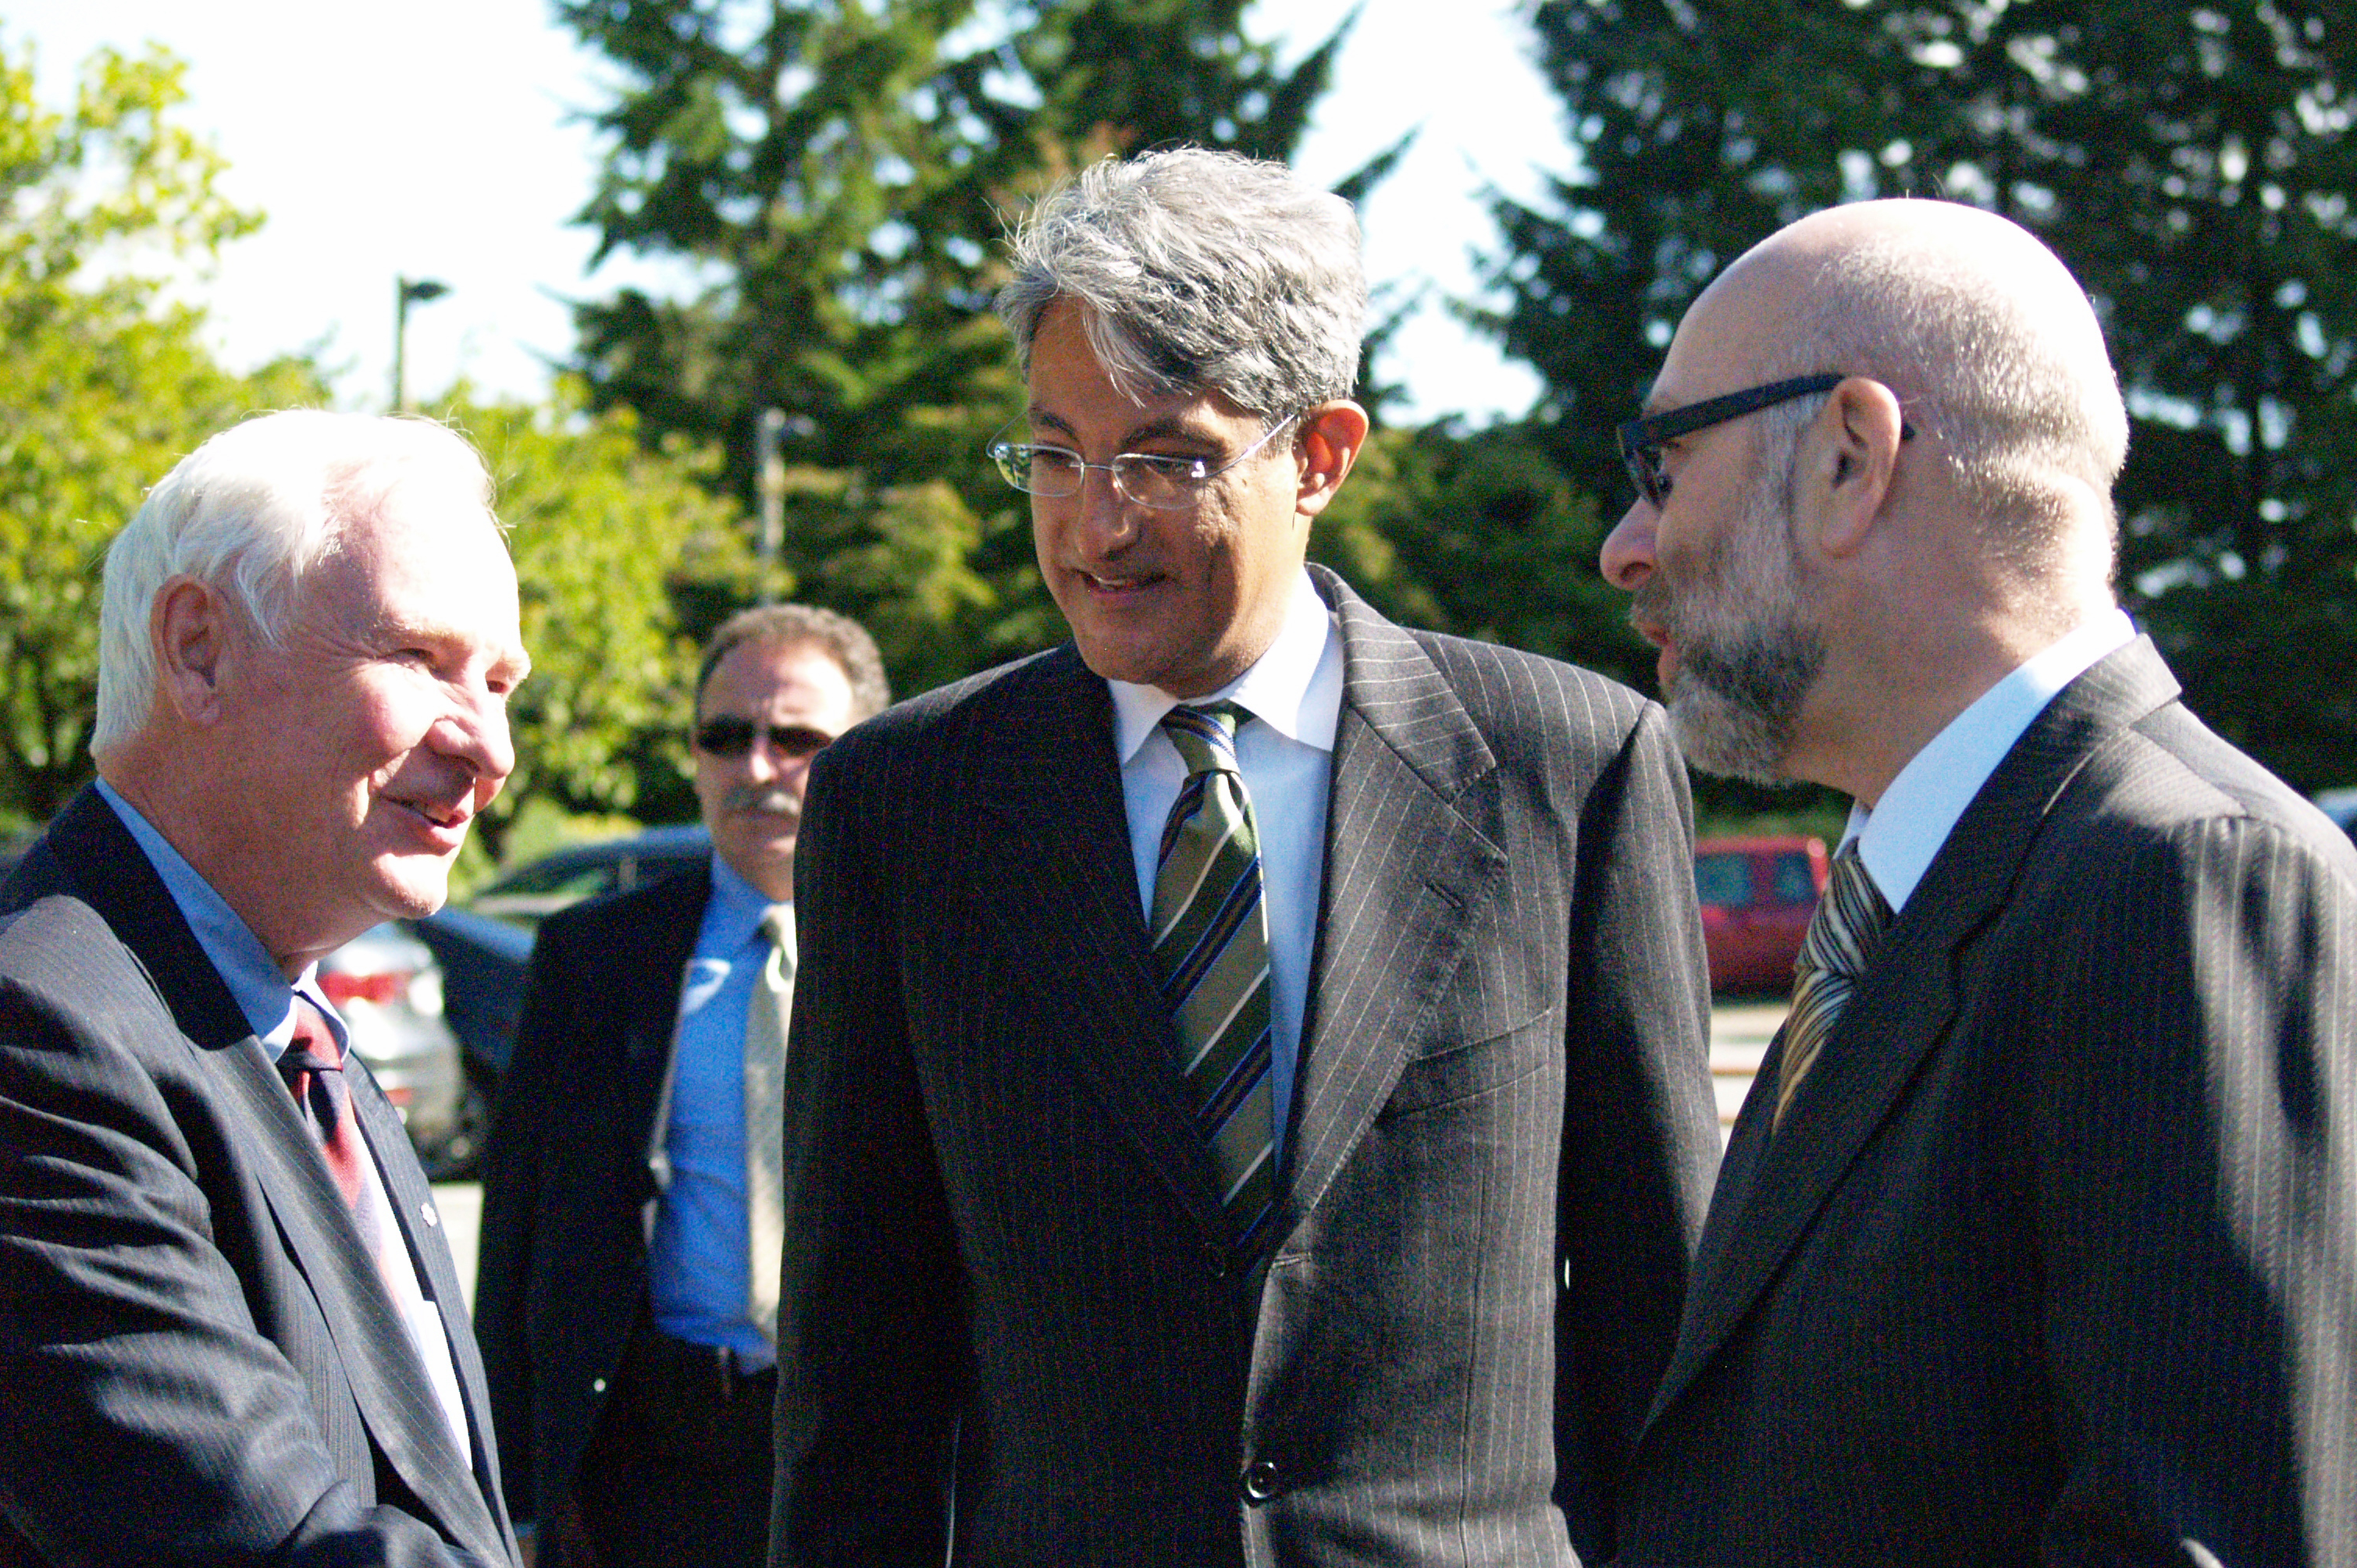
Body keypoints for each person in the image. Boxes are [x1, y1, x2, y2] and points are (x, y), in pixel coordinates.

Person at [769, 147, 1722, 1568]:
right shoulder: (905, 805)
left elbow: (1665, 1326)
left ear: (1320, 454)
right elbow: (856, 1368)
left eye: (1165, 459)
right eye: (1053, 454)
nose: (1094, 522)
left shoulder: (1567, 768)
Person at [1597, 198, 2357, 1565]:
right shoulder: (1911, 905)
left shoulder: (2184, 879)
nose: (1624, 547)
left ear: (1848, 455)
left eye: (1661, 465)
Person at [0, 411, 529, 1566]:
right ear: (198, 649)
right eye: (421, 659)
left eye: (501, 683)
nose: (491, 747)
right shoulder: (37, 1032)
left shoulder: (299, 1037)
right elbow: (267, 1539)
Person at [474, 604, 888, 1568]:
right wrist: (525, 1492)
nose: (757, 769)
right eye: (725, 736)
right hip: (650, 1465)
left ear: (866, 750)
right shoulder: (595, 958)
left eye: (796, 738)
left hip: (871, 1458)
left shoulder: (927, 950)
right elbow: (520, 1233)